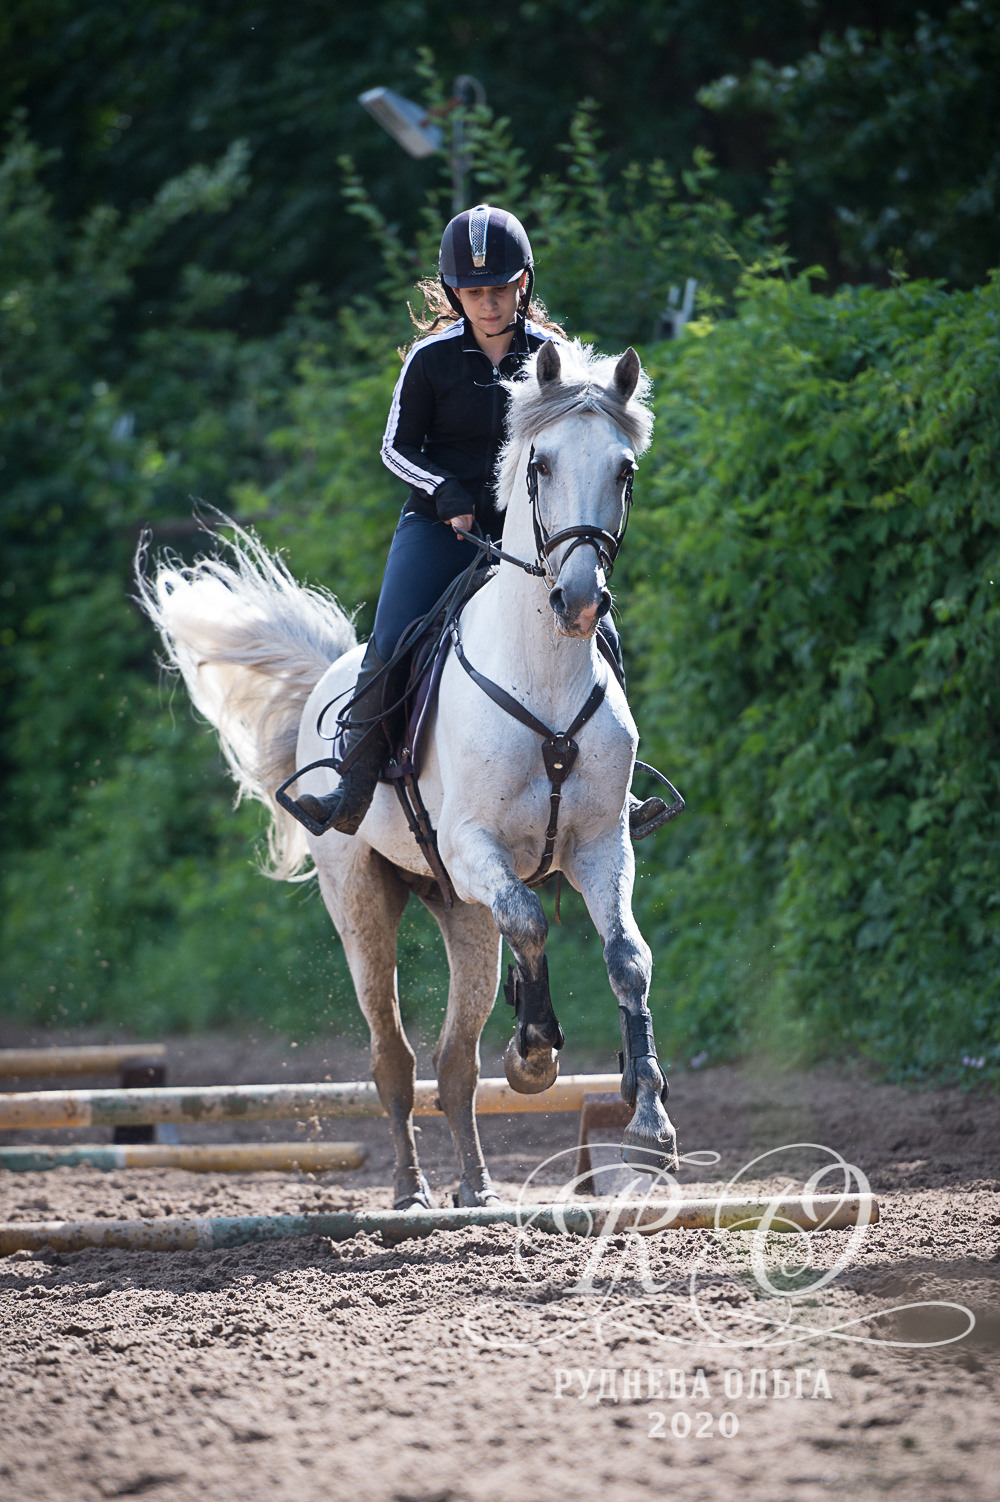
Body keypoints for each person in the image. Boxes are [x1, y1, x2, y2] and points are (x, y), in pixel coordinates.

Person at [296, 203, 664, 838]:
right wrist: (443, 489)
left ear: (522, 285)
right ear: (453, 293)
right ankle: (353, 783)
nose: (487, 305)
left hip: (530, 531)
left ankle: (616, 792)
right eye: (472, 293)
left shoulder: (555, 359)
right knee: (391, 638)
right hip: (442, 525)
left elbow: (581, 449)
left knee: (599, 631)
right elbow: (394, 447)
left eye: (499, 290)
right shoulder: (430, 360)